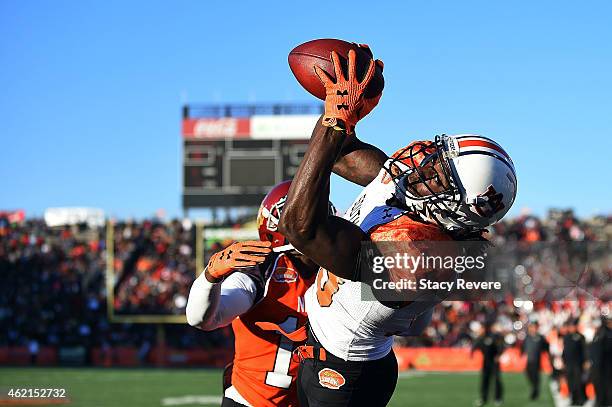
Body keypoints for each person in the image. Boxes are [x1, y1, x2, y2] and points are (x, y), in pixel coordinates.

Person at [279, 48, 518, 406]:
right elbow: (337, 153)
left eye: (439, 176)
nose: (422, 169)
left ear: (458, 210)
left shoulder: (414, 258)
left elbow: (300, 227)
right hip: (324, 344)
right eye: (437, 158)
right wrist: (347, 107)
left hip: (344, 377)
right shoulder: (422, 197)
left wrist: (334, 123)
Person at [471, 322, 504, 406]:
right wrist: (472, 352)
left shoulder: (493, 336)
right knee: (484, 381)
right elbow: (475, 346)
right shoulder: (481, 338)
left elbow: (500, 346)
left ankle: (498, 399)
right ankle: (483, 399)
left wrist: (498, 355)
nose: (479, 330)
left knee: (496, 381)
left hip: (494, 362)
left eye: (481, 328)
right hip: (486, 362)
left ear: (484, 328)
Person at [521, 321, 551, 400]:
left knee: (535, 376)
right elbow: (523, 347)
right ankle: (535, 388)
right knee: (528, 374)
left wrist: (546, 354)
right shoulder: (527, 337)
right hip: (529, 360)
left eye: (534, 327)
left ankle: (535, 392)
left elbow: (546, 346)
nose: (532, 329)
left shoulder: (540, 337)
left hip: (536, 360)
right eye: (531, 327)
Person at [562, 319, 587, 406]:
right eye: (570, 326)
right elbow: (564, 351)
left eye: (573, 326)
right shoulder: (566, 337)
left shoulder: (580, 337)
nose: (572, 328)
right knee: (570, 382)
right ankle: (573, 398)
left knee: (578, 382)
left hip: (577, 363)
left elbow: (584, 350)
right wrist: (563, 361)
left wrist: (585, 361)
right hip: (568, 364)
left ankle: (581, 399)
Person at [589, 316, 611, 407]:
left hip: (603, 367)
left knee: (604, 387)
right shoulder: (600, 334)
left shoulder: (603, 334)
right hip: (601, 366)